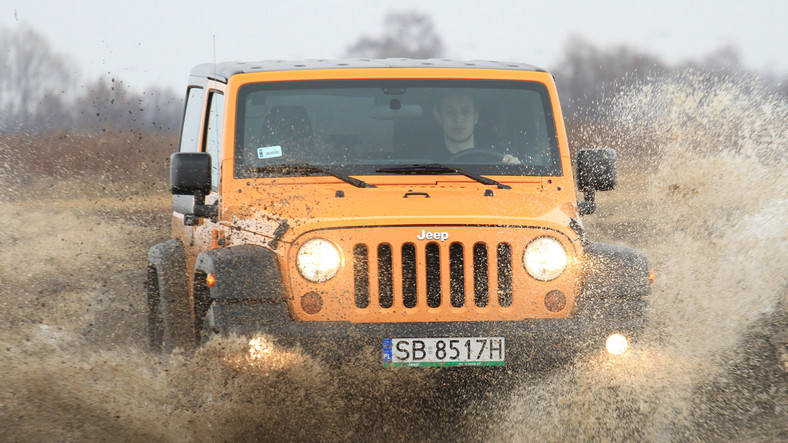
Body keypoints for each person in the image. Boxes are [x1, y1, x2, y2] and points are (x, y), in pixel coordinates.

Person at [433, 93, 521, 164]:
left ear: (476, 117)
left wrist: (513, 167)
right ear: (439, 118)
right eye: (450, 112)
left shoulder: (496, 160)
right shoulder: (425, 162)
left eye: (465, 112)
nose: (458, 120)